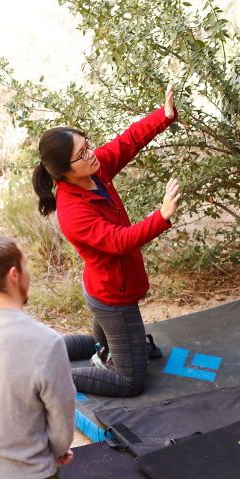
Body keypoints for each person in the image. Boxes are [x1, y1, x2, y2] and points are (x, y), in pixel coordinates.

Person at [31, 85, 181, 398]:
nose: (91, 153)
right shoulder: (73, 211)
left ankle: (43, 353)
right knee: (130, 382)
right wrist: (162, 215)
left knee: (101, 344)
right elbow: (117, 242)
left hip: (103, 287)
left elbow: (127, 143)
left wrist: (163, 116)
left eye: (88, 145)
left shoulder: (93, 171)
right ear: (63, 171)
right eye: (82, 153)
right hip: (113, 299)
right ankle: (53, 378)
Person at [0, 235, 75, 479]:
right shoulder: (45, 342)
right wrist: (57, 450)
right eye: (26, 265)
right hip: (30, 475)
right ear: (14, 275)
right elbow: (61, 427)